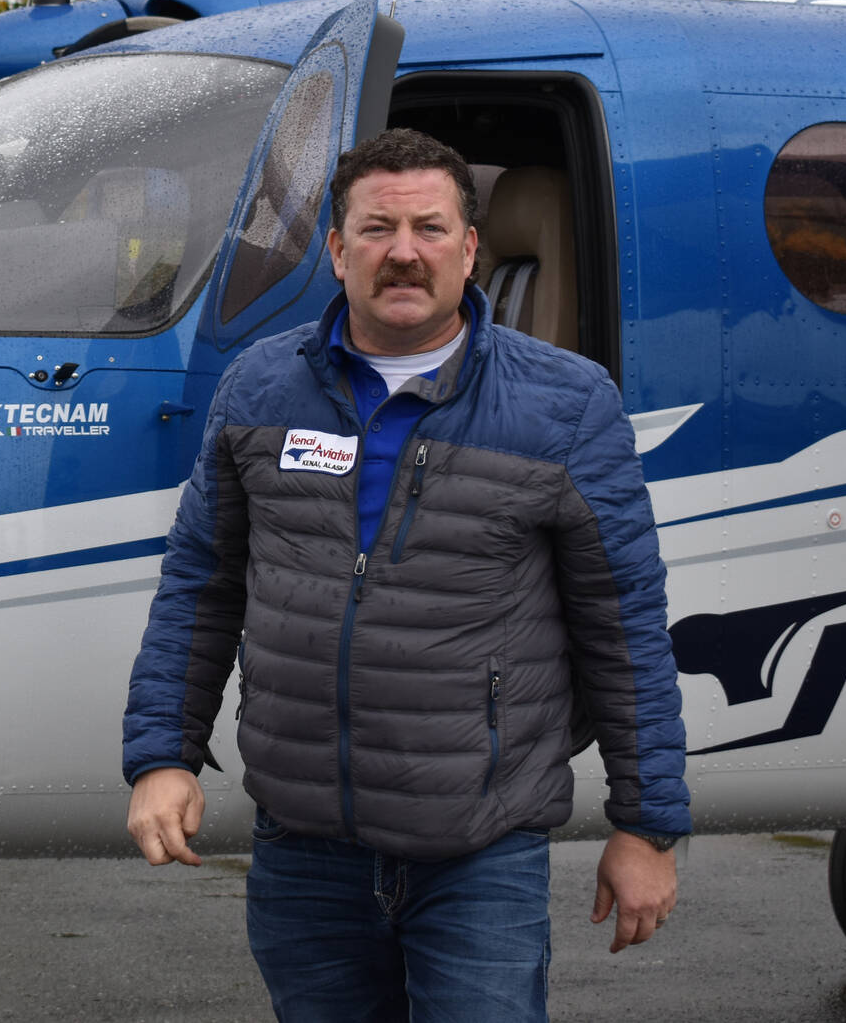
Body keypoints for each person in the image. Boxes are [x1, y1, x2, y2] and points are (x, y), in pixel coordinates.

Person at [121, 128, 688, 1022]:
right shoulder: (257, 392)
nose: (404, 252)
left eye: (430, 228)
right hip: (304, 852)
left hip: (478, 852)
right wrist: (163, 754)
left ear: (470, 249)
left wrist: (647, 824)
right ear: (339, 250)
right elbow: (200, 584)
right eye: (378, 229)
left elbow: (625, 629)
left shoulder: (569, 408)